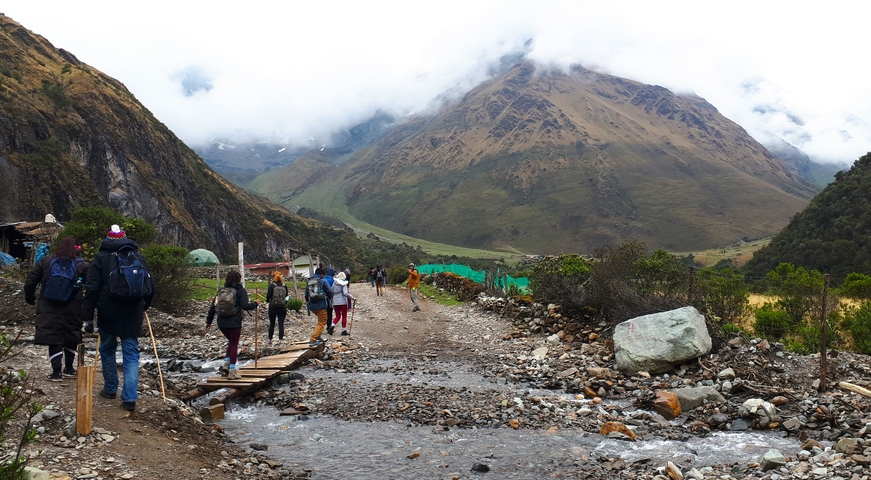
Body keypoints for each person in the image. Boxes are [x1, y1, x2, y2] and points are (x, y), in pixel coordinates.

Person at [83, 225, 154, 412]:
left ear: (108, 239)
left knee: (107, 348)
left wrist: (88, 318)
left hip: (108, 310)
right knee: (131, 353)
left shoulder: (101, 258)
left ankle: (110, 389)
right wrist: (143, 306)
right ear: (125, 238)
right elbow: (150, 286)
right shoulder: (138, 257)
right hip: (133, 312)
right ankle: (130, 398)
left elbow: (91, 289)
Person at [24, 237, 90, 380]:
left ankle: (56, 372)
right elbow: (92, 285)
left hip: (49, 304)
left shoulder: (46, 261)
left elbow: (30, 281)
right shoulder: (82, 265)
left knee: (53, 336)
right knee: (71, 333)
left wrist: (29, 297)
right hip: (73, 305)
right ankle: (69, 368)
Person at [205, 270, 260, 379]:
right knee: (234, 344)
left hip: (221, 322)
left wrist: (208, 322)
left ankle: (226, 365)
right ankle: (233, 371)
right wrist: (255, 304)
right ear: (239, 279)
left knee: (231, 342)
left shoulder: (221, 291)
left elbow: (212, 307)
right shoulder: (241, 291)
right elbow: (245, 306)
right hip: (234, 322)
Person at [305, 267, 333, 346]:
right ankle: (313, 340)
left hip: (312, 306)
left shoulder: (309, 281)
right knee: (322, 322)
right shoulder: (323, 281)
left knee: (319, 321)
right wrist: (328, 300)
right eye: (323, 275)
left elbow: (306, 295)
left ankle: (318, 336)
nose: (323, 277)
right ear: (321, 274)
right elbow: (330, 291)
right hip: (321, 305)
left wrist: (310, 304)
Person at [327, 272, 356, 336]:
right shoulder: (344, 283)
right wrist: (352, 298)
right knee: (344, 316)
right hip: (342, 301)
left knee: (337, 316)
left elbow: (331, 291)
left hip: (335, 301)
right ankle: (343, 330)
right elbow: (345, 293)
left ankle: (332, 326)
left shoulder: (334, 283)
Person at [265, 272, 288, 346]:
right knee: (281, 324)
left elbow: (268, 296)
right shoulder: (284, 286)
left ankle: (270, 340)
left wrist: (268, 301)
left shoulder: (272, 286)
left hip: (273, 307)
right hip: (282, 308)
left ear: (274, 277)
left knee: (272, 324)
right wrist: (284, 303)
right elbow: (287, 297)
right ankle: (280, 340)